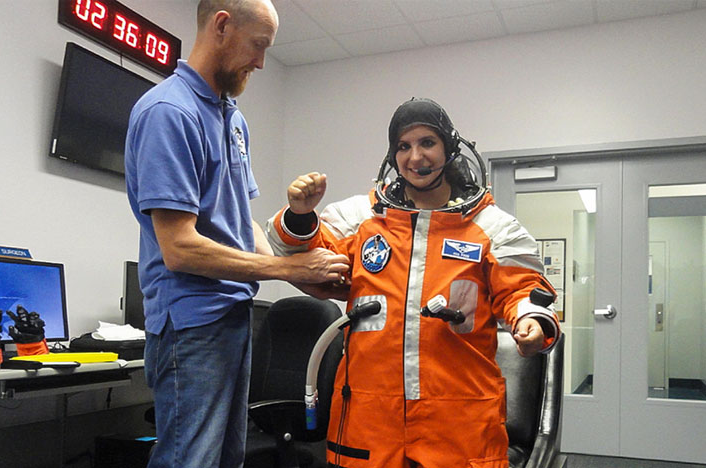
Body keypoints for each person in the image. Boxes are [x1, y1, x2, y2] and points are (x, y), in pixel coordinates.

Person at [266, 98, 562, 468]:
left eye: (427, 142)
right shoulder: (362, 218)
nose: (415, 156)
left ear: (448, 148)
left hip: (458, 418)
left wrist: (530, 320)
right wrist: (299, 214)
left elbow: (521, 286)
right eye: (403, 146)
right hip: (370, 416)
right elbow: (305, 255)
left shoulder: (491, 226)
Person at [124, 1, 350, 467]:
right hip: (190, 323)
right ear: (222, 26)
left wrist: (298, 275)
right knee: (191, 459)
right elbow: (179, 248)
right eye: (258, 46)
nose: (262, 62)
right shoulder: (169, 112)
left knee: (228, 458)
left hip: (233, 316)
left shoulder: (232, 117)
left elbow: (241, 222)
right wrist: (287, 268)